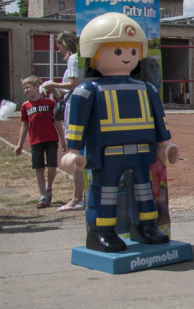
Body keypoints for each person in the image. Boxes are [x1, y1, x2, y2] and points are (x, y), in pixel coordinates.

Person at [62, 13, 179, 253]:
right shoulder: (88, 90)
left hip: (141, 151)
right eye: (118, 51)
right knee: (104, 192)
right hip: (106, 154)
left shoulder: (146, 89)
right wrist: (73, 150)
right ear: (94, 53)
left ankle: (145, 226)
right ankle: (101, 232)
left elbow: (159, 119)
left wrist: (165, 144)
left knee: (144, 190)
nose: (127, 57)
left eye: (132, 51)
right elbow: (77, 122)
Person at [41, 31, 85, 211]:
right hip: (74, 103)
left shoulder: (73, 59)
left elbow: (74, 84)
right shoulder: (79, 58)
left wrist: (53, 85)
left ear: (65, 43)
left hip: (74, 107)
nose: (58, 49)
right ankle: (79, 196)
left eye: (59, 45)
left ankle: (77, 198)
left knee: (75, 152)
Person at [15, 76, 65, 208]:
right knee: (39, 168)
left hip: (51, 139)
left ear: (37, 87)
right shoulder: (25, 106)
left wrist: (63, 140)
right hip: (35, 141)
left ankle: (49, 188)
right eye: (24, 88)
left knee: (52, 166)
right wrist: (19, 145)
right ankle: (42, 195)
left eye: (28, 87)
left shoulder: (50, 103)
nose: (25, 90)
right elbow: (24, 125)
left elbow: (57, 123)